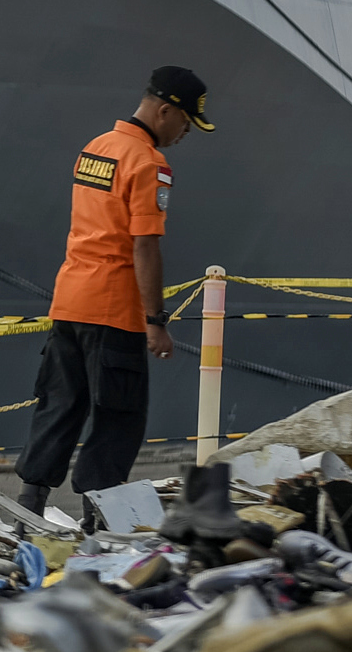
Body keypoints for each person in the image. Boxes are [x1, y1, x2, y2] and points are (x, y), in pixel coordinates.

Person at [16, 66, 211, 514]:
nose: (184, 134)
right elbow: (144, 246)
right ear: (165, 111)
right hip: (114, 310)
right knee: (119, 416)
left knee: (60, 405)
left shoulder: (95, 148)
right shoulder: (149, 163)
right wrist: (156, 321)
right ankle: (98, 516)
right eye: (185, 123)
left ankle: (29, 505)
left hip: (69, 301)